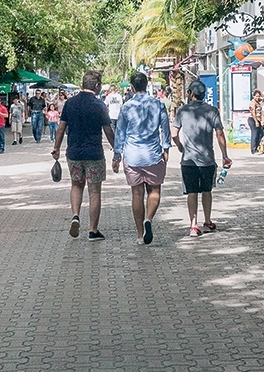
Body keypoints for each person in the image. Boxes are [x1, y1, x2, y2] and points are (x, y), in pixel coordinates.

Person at [52, 70, 115, 241]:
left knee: (76, 186)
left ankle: (75, 215)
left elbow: (61, 128)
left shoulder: (70, 103)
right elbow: (108, 130)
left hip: (74, 152)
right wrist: (116, 148)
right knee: (94, 192)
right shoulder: (99, 105)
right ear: (97, 86)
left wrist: (56, 148)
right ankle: (93, 230)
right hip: (94, 153)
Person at [113, 71, 171, 245]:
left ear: (131, 87)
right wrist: (166, 147)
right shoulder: (158, 104)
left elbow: (120, 132)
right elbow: (165, 128)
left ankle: (140, 234)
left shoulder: (126, 107)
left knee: (136, 194)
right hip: (153, 154)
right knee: (154, 191)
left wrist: (117, 154)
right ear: (147, 85)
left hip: (132, 156)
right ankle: (149, 219)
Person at [172, 79, 230, 237]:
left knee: (192, 192)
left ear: (191, 93)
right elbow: (220, 134)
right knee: (207, 190)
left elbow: (174, 134)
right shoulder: (212, 111)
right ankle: (208, 220)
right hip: (207, 159)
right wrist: (225, 155)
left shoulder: (182, 111)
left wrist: (180, 147)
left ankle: (193, 225)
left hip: (188, 159)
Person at [248, 91, 264, 155]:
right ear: (253, 96)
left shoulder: (258, 102)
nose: (258, 97)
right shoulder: (252, 103)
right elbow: (253, 113)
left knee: (260, 134)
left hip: (258, 120)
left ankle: (256, 148)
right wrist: (256, 121)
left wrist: (259, 92)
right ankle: (253, 150)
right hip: (253, 119)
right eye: (256, 96)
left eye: (258, 96)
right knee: (255, 134)